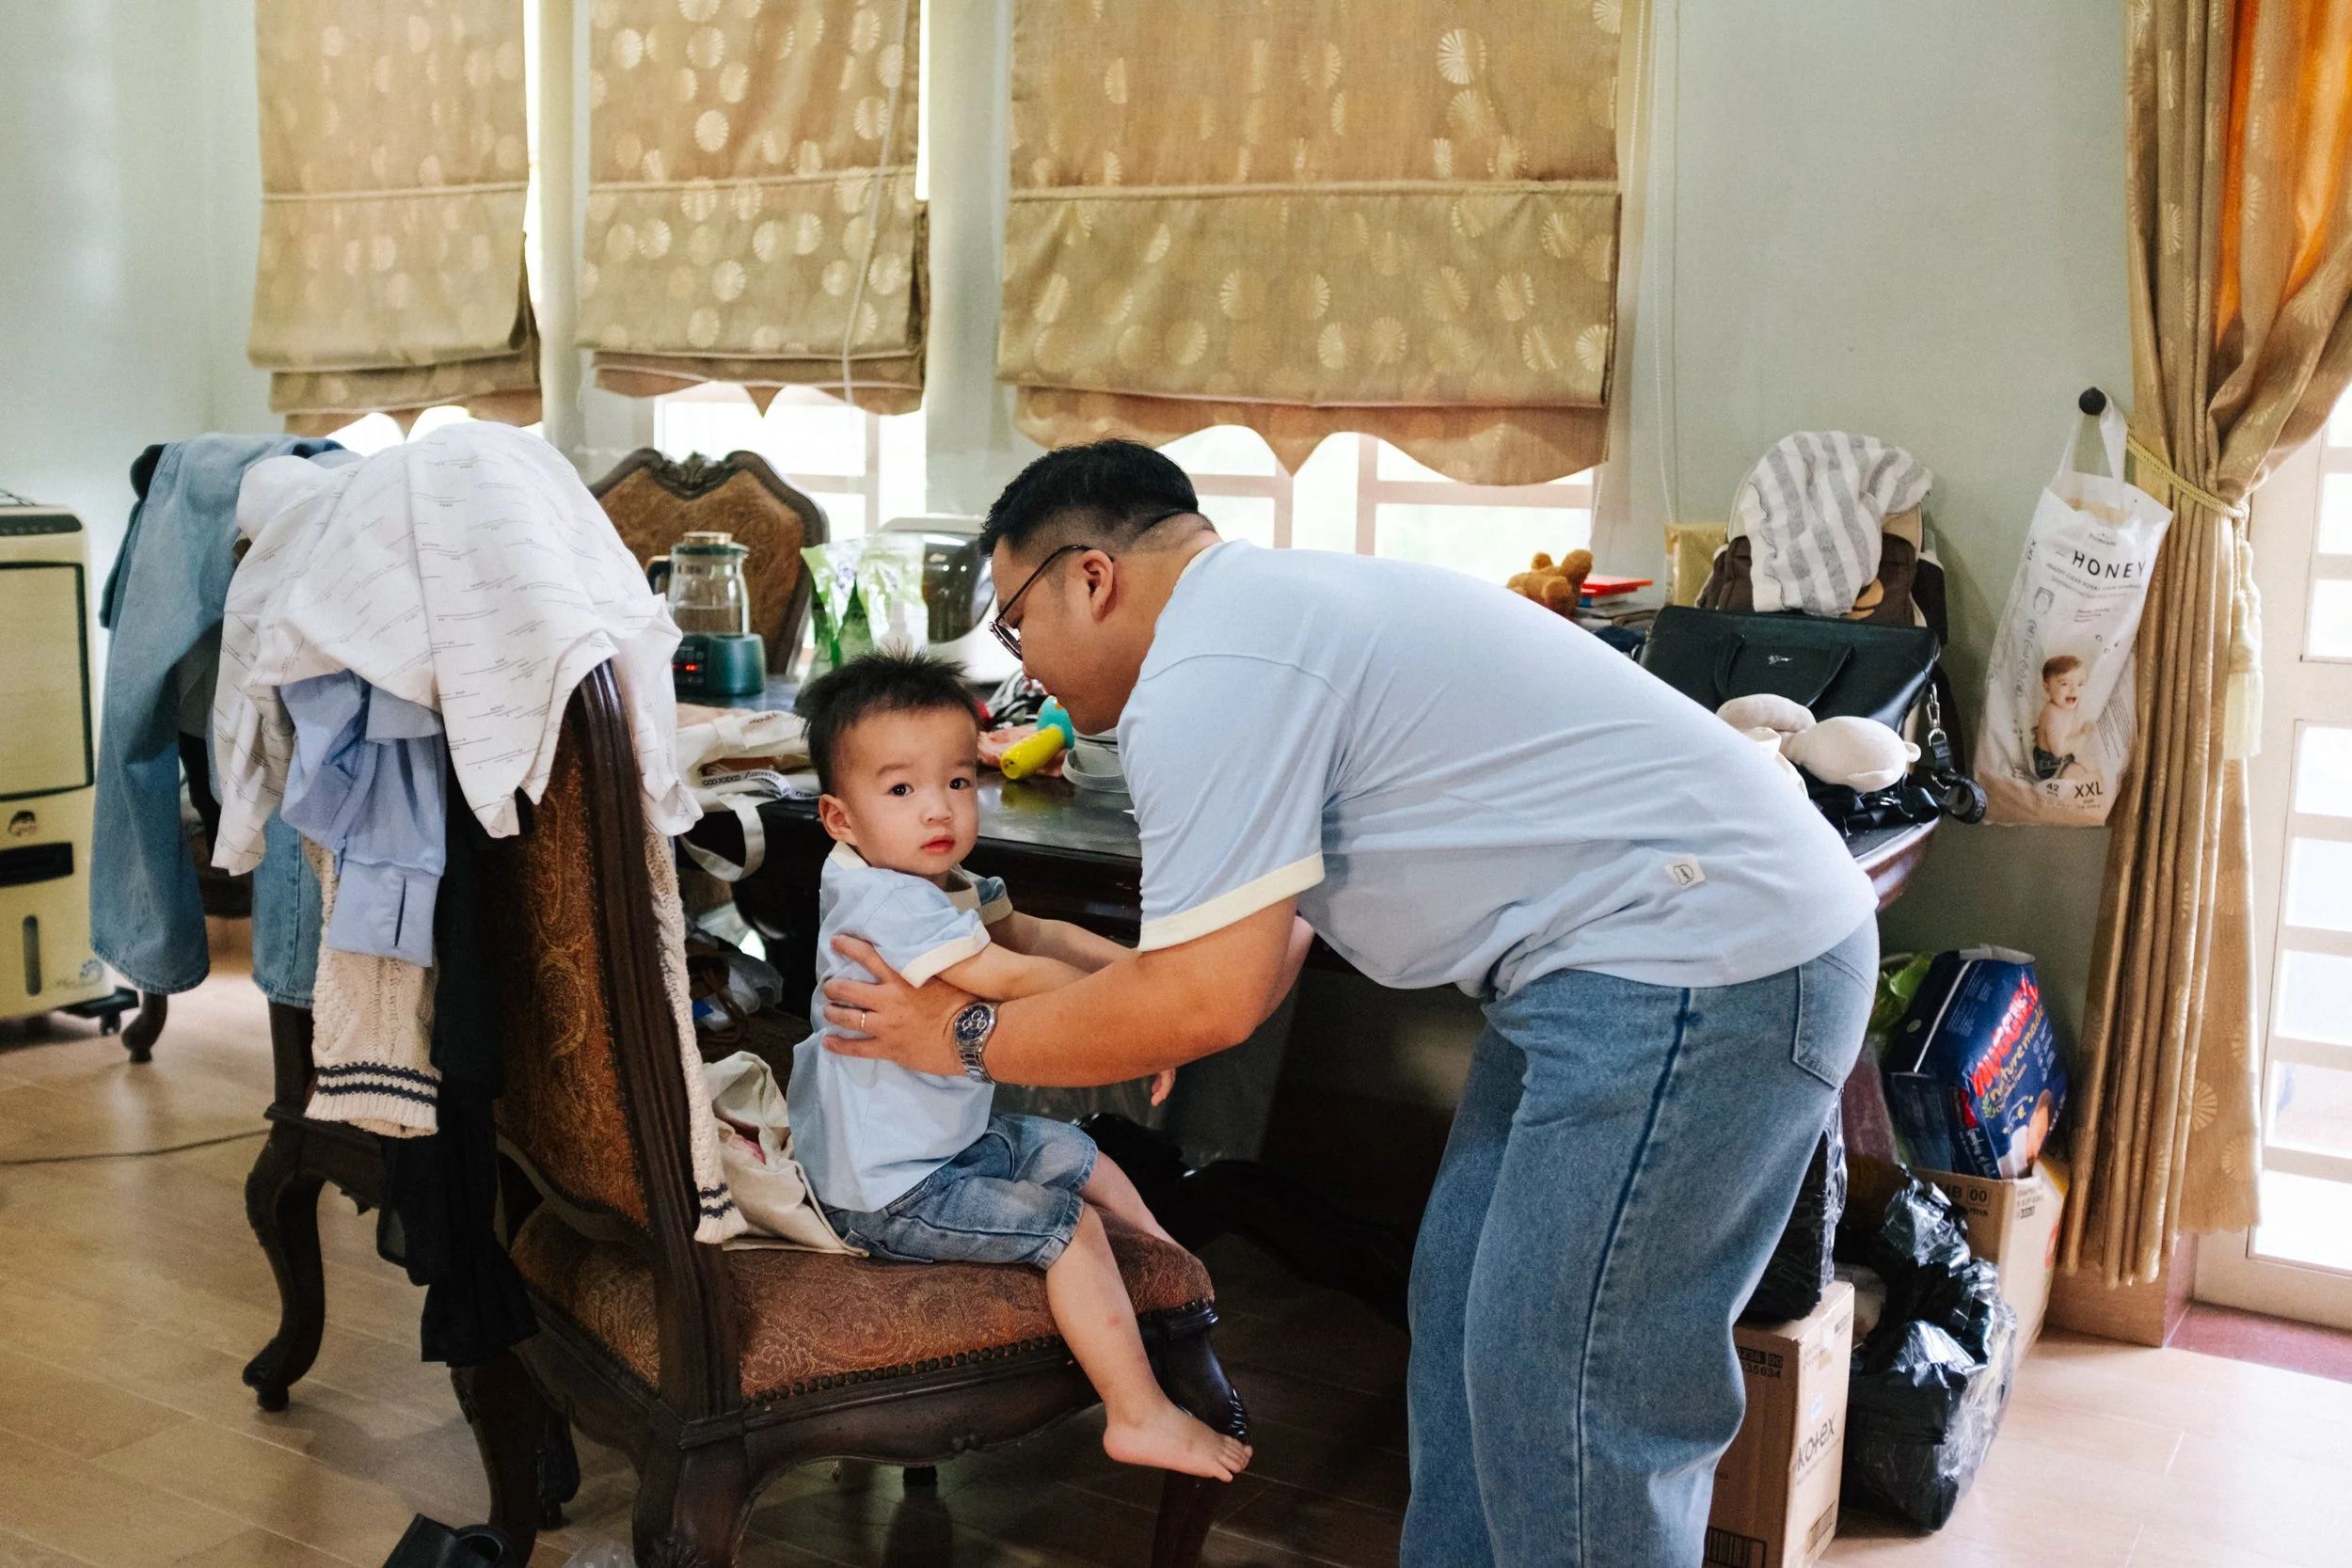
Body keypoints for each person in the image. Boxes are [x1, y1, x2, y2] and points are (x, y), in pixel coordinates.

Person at [818, 440, 1878, 1568]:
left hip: (1700, 964)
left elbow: (1204, 999)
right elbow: (1263, 942)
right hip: (1615, 967)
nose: (1018, 659)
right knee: (1467, 1316)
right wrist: (1140, 1008)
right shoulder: (1263, 617)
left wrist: (961, 1035)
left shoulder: (1210, 672)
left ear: (1090, 576)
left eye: (1015, 620)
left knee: (1569, 1391)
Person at [786, 651, 1269, 1481]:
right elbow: (1009, 976)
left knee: (1086, 1154)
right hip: (886, 1191)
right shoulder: (887, 901)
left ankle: (1174, 1287)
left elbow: (1035, 933)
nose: (937, 807)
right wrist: (1141, 1020)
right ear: (840, 816)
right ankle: (1136, 1411)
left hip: (942, 1146)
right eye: (900, 789)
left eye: (957, 781)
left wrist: (1146, 977)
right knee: (1070, 1228)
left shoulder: (926, 873)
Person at [2032, 652, 2090, 781]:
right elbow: (2058, 750)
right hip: (2049, 765)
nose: (2074, 690)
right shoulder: (2053, 713)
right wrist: (2083, 734)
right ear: (2047, 688)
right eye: (2065, 684)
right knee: (2078, 772)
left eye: (2080, 684)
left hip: (2058, 758)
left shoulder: (2063, 706)